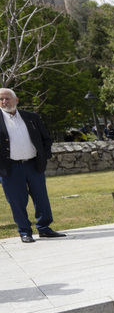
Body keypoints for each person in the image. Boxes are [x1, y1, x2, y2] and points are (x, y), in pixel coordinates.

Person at [0, 88, 65, 242]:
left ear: (16, 100)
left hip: (33, 165)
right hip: (10, 169)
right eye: (1, 99)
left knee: (41, 197)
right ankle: (24, 232)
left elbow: (46, 139)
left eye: (7, 98)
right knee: (17, 201)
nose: (4, 102)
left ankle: (44, 228)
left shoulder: (31, 117)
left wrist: (44, 156)